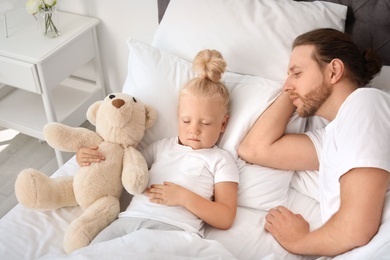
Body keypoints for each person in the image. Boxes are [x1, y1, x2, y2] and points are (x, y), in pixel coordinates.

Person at [238, 28, 390, 256]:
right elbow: (254, 149)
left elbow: (356, 228)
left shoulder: (365, 103)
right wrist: (295, 90)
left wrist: (298, 241)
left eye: (296, 73)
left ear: (334, 71)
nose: (286, 84)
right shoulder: (331, 136)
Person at [76, 49, 239, 244]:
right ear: (178, 117)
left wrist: (183, 197)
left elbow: (225, 217)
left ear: (223, 124)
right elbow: (120, 166)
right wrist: (88, 158)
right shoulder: (161, 147)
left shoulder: (220, 160)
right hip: (129, 220)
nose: (194, 130)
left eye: (205, 123)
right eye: (186, 121)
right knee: (92, 251)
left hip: (173, 229)